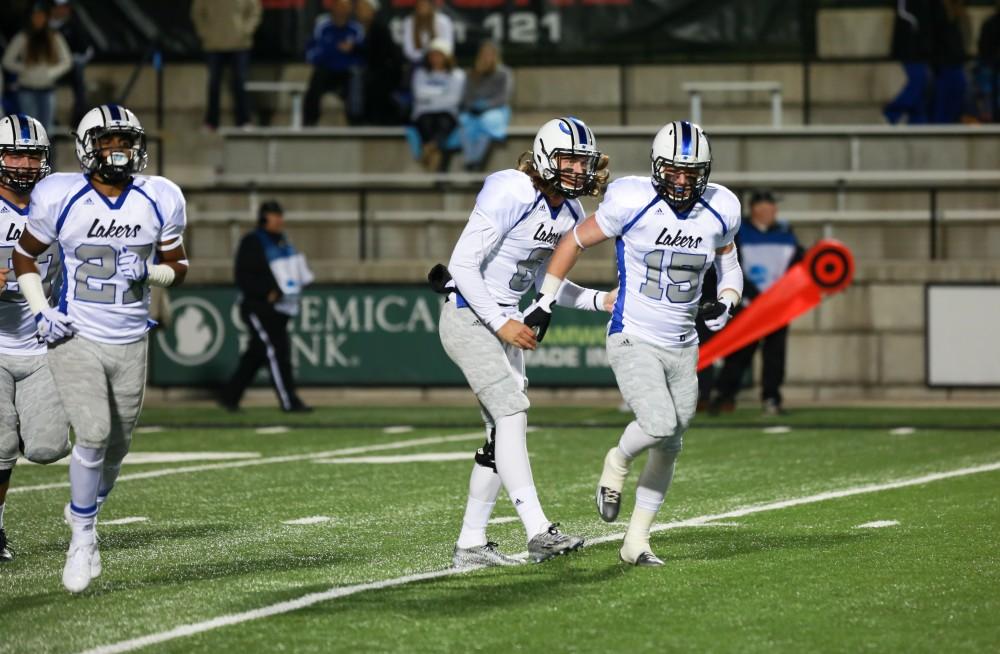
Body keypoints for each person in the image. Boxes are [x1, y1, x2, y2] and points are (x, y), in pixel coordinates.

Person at [534, 120, 743, 566]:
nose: (682, 181)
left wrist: (726, 302)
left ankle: (636, 543)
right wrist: (547, 299)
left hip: (684, 342)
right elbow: (574, 240)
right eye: (673, 171)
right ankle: (617, 461)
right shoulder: (632, 199)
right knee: (660, 423)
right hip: (633, 333)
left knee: (671, 442)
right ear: (656, 167)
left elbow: (729, 264)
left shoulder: (722, 206)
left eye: (691, 173)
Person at [13, 103, 189, 593]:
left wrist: (151, 272)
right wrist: (43, 311)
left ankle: (81, 513)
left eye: (127, 143)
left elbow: (178, 265)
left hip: (132, 338)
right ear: (88, 147)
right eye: (110, 143)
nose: (120, 152)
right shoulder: (59, 195)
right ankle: (83, 538)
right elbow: (26, 257)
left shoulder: (159, 196)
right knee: (92, 431)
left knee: (118, 447)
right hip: (76, 334)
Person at [434, 117, 612, 568]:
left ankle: (471, 544)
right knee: (512, 413)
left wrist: (599, 300)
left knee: (501, 434)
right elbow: (461, 264)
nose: (577, 169)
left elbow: (547, 281)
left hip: (502, 322)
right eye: (569, 158)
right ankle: (537, 530)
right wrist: (499, 323)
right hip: (470, 315)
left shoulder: (570, 213)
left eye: (582, 161)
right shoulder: (512, 188)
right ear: (545, 156)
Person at [0, 113, 70, 564]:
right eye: (15, 153)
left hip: (41, 345)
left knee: (46, 446)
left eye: (33, 155)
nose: (25, 164)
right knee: (0, 446)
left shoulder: (60, 207)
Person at [709, 190, 803, 416]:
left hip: (777, 304)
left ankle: (771, 398)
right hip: (749, 304)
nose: (772, 212)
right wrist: (752, 295)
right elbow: (732, 266)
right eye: (767, 207)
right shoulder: (740, 233)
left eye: (773, 208)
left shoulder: (786, 232)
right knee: (740, 352)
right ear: (755, 209)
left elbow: (798, 262)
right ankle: (724, 395)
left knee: (775, 354)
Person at [220, 200, 314, 414]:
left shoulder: (283, 241)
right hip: (259, 307)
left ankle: (230, 396)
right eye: (275, 215)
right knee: (277, 351)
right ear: (264, 218)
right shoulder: (253, 241)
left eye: (280, 215)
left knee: (257, 354)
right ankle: (289, 401)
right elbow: (243, 275)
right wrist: (267, 291)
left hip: (280, 307)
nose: (279, 220)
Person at [191, 0, 262, 131]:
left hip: (240, 44)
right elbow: (197, 12)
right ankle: (211, 121)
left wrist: (245, 30)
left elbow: (255, 11)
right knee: (213, 84)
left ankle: (244, 120)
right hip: (214, 44)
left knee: (240, 82)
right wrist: (205, 33)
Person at [1, 3, 72, 133]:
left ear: (46, 18)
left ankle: (47, 153)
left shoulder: (54, 37)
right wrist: (25, 69)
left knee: (47, 131)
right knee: (31, 130)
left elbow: (67, 61)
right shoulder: (23, 37)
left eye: (41, 16)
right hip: (27, 90)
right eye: (35, 16)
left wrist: (51, 73)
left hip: (47, 90)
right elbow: (7, 61)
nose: (38, 20)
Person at [303, 0, 364, 126]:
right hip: (327, 69)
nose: (343, 10)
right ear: (334, 7)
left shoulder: (356, 28)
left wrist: (353, 48)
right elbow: (312, 51)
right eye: (340, 6)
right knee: (316, 78)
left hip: (347, 71)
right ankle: (309, 121)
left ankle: (356, 121)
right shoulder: (323, 26)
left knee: (356, 77)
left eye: (346, 7)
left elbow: (363, 53)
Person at [411, 38, 464, 171]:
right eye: (432, 55)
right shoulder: (420, 73)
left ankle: (430, 149)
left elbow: (454, 99)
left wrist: (430, 96)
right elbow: (419, 94)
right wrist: (441, 93)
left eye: (439, 55)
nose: (435, 58)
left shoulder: (457, 75)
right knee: (425, 122)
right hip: (424, 112)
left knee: (443, 123)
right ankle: (433, 150)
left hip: (447, 112)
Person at [459, 41, 512, 171]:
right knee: (465, 123)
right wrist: (473, 106)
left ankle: (476, 161)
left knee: (487, 123)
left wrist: (486, 105)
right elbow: (466, 96)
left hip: (496, 110)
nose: (486, 57)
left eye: (490, 54)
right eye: (484, 54)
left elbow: (503, 97)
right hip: (474, 111)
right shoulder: (472, 73)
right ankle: (469, 160)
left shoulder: (504, 73)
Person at [883, 0, 934, 124]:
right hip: (911, 47)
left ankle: (917, 123)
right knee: (918, 82)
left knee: (923, 89)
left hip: (923, 48)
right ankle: (891, 114)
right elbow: (903, 13)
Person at [354, 0, 404, 125]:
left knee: (374, 83)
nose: (361, 12)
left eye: (365, 8)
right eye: (359, 8)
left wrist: (355, 48)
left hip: (384, 71)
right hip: (362, 70)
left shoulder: (380, 29)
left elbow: (380, 56)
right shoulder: (354, 28)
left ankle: (376, 120)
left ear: (372, 12)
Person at [49, 0, 93, 126]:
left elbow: (86, 50)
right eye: (59, 7)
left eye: (65, 7)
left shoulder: (74, 25)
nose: (63, 10)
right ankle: (51, 118)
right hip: (48, 69)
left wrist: (71, 60)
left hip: (69, 67)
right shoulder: (44, 26)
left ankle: (79, 117)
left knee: (78, 74)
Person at [930, 0, 971, 123]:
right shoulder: (937, 10)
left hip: (956, 65)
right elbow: (935, 41)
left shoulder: (960, 15)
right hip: (944, 66)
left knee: (955, 103)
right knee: (942, 107)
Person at [400, 0, 454, 67]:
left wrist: (435, 58)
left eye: (425, 4)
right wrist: (427, 58)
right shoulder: (409, 22)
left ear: (431, 5)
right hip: (418, 62)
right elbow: (408, 51)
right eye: (420, 4)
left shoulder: (444, 21)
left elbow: (448, 47)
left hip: (440, 63)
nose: (422, 7)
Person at [973, 0, 1000, 121]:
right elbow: (983, 47)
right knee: (986, 87)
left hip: (991, 65)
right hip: (989, 64)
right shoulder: (989, 23)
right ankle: (987, 116)